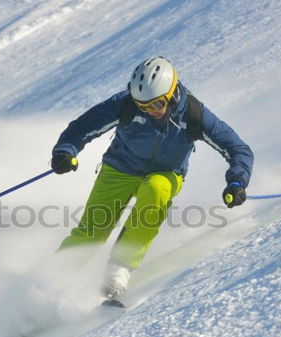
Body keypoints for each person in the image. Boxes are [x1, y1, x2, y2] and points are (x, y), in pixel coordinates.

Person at [50, 56, 253, 300]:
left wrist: (237, 182)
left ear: (172, 94)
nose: (150, 111)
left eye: (157, 104)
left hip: (167, 173)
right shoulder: (125, 105)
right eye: (143, 106)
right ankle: (51, 282)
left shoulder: (193, 114)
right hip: (120, 168)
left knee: (157, 189)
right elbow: (82, 127)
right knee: (93, 229)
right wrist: (65, 151)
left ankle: (120, 268)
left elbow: (238, 149)